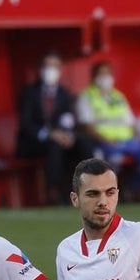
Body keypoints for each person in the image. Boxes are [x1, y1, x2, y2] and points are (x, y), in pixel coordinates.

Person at [76, 60, 140, 199]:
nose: (105, 77)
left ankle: (130, 188)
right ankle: (111, 195)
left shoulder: (118, 96)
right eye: (101, 74)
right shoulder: (87, 96)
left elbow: (131, 124)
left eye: (108, 74)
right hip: (105, 141)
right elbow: (87, 126)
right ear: (93, 77)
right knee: (114, 161)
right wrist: (105, 140)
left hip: (128, 141)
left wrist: (135, 139)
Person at [16, 51, 94, 202]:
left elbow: (68, 120)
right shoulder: (29, 92)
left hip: (60, 137)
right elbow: (26, 124)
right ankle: (54, 192)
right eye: (47, 66)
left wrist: (68, 135)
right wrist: (49, 134)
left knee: (84, 143)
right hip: (34, 141)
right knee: (53, 146)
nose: (50, 70)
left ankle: (85, 188)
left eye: (54, 66)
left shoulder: (64, 93)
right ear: (40, 69)